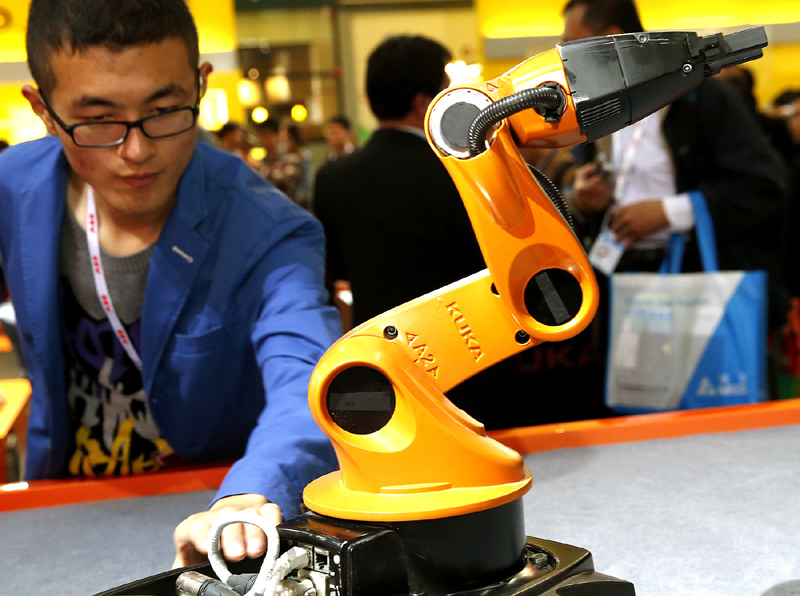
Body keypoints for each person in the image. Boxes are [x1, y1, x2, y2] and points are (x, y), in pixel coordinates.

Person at [8, 0, 340, 569]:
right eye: (98, 120)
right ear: (44, 109)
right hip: (60, 503)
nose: (135, 151)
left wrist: (248, 494)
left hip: (215, 509)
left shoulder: (268, 229)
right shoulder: (15, 185)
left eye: (164, 110)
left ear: (200, 86)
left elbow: (306, 379)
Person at [313, 35, 593, 429]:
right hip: (482, 366)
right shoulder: (471, 169)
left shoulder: (332, 178)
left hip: (386, 377)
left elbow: (335, 273)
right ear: (422, 102)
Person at [561, 0, 790, 391]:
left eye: (572, 44)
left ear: (610, 40)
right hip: (626, 283)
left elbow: (764, 186)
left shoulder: (704, 98)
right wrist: (583, 198)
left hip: (702, 278)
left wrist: (671, 212)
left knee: (717, 414)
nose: (563, 58)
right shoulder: (594, 110)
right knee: (641, 411)